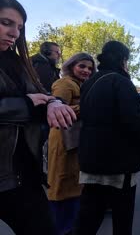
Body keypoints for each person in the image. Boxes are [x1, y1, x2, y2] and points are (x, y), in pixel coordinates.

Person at [0, 0, 76, 235]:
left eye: (20, 27)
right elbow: (30, 102)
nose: (15, 33)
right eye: (5, 23)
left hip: (22, 175)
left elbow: (43, 93)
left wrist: (54, 103)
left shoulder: (19, 63)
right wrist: (26, 105)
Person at [74, 41, 140, 235]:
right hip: (119, 166)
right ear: (123, 60)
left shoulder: (90, 82)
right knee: (122, 220)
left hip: (91, 161)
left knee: (88, 218)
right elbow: (135, 124)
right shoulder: (121, 82)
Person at [47, 52, 96, 235]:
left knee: (72, 184)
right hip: (63, 141)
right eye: (82, 66)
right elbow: (58, 109)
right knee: (61, 183)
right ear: (71, 66)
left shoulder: (80, 85)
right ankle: (60, 228)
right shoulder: (65, 83)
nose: (86, 70)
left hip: (73, 142)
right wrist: (89, 106)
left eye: (90, 68)